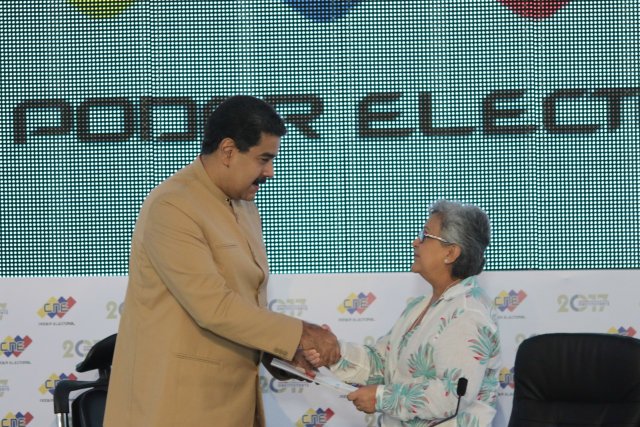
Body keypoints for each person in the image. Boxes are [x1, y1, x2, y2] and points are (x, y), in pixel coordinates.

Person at [103, 95, 339, 427]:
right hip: (177, 409)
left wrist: (282, 355)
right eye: (263, 159)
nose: (269, 173)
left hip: (232, 404)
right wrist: (299, 333)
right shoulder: (173, 206)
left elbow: (246, 307)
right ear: (228, 151)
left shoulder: (244, 206)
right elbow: (213, 306)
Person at [305, 200, 501, 426]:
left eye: (426, 236)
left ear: (451, 253)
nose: (415, 243)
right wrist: (334, 352)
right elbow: (382, 363)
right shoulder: (420, 305)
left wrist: (381, 398)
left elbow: (452, 395)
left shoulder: (468, 314)